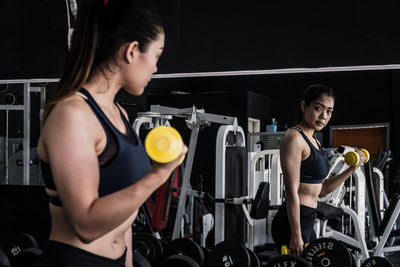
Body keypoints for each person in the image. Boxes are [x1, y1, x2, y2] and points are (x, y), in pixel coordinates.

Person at [34, 0, 186, 266]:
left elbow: (124, 215)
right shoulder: (73, 116)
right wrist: (160, 173)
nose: (155, 68)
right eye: (156, 56)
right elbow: (86, 225)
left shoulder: (120, 115)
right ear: (131, 51)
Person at [271, 84, 366, 256]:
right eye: (317, 108)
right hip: (292, 223)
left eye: (329, 111)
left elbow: (322, 190)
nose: (324, 116)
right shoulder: (294, 138)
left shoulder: (315, 142)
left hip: (308, 219)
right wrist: (296, 233)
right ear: (303, 106)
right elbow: (291, 191)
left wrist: (351, 169)